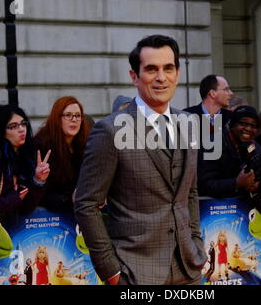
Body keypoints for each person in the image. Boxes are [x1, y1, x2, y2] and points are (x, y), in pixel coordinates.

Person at [73, 34, 207, 285]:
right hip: (135, 272)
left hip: (189, 269)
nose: (161, 77)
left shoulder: (189, 124)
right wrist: (111, 271)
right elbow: (86, 203)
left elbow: (189, 192)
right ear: (134, 76)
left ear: (177, 73)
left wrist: (196, 242)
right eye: (151, 69)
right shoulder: (110, 130)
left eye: (168, 68)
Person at [34, 96, 89, 213]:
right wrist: (70, 199)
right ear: (57, 118)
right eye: (68, 115)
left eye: (78, 116)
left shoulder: (85, 144)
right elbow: (42, 195)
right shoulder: (42, 145)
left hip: (79, 213)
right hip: (49, 218)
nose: (74, 119)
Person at [183, 74, 233, 147]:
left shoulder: (231, 118)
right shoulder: (186, 117)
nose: (231, 93)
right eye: (226, 89)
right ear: (212, 93)